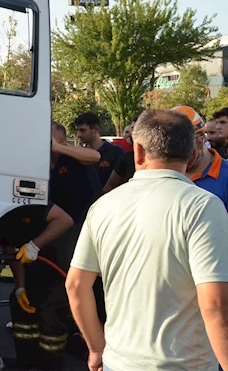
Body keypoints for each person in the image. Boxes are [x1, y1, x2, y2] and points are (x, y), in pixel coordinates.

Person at [66, 109, 228, 371]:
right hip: (184, 364)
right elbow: (215, 303)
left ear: (137, 150)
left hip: (117, 363)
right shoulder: (203, 206)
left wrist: (97, 349)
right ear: (193, 152)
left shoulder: (103, 206)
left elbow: (75, 285)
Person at [0, 202, 74, 370]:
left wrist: (35, 245)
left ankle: (51, 366)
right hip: (33, 269)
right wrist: (21, 287)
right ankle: (26, 363)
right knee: (19, 306)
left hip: (60, 265)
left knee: (51, 316)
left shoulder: (26, 205)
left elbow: (65, 220)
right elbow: (11, 254)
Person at [174, 105, 228, 212]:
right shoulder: (164, 173)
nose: (174, 154)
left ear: (200, 141)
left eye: (180, 146)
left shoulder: (225, 175)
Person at [50, 122, 101, 223]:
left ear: (61, 141)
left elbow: (95, 156)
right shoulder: (44, 163)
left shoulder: (72, 156)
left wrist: (57, 147)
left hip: (86, 220)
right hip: (62, 222)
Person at [74, 112, 125, 190]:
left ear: (96, 129)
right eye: (78, 131)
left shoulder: (116, 152)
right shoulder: (79, 155)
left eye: (82, 130)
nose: (78, 135)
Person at [102, 113, 142, 193]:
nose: (134, 131)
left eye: (137, 128)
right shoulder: (115, 146)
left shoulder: (150, 152)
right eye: (132, 128)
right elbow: (110, 184)